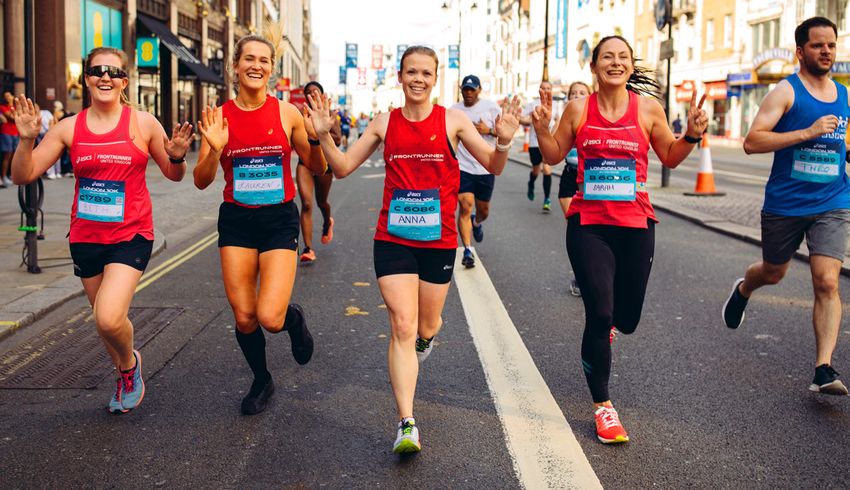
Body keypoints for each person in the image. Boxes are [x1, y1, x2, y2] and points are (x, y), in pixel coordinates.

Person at [306, 46, 521, 454]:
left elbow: (492, 165)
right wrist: (322, 136)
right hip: (393, 240)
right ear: (400, 76)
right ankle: (406, 422)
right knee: (402, 326)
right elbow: (343, 167)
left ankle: (427, 337)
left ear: (435, 78)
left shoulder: (453, 121)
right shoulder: (384, 123)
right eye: (411, 72)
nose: (418, 79)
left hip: (438, 241)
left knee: (426, 327)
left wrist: (505, 143)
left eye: (426, 73)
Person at [534, 35, 707, 444]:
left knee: (625, 319)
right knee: (599, 313)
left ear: (630, 65)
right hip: (589, 225)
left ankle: (611, 326)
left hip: (636, 225)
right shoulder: (579, 109)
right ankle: (603, 407)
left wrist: (691, 136)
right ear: (594, 66)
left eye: (623, 57)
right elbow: (554, 154)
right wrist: (541, 128)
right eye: (607, 57)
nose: (615, 62)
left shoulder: (648, 109)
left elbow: (669, 155)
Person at [10, 47, 193, 413]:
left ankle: (129, 366)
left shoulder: (143, 123)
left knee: (108, 317)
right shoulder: (68, 127)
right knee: (105, 321)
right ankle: (125, 370)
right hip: (85, 238)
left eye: (114, 71)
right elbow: (22, 175)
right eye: (97, 70)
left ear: (124, 81)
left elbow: (174, 175)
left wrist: (176, 155)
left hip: (131, 235)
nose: (105, 77)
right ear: (87, 79)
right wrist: (27, 139)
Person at [193, 32, 320, 416]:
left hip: (278, 219)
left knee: (270, 317)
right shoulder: (218, 117)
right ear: (235, 66)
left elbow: (317, 166)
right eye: (248, 58)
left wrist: (317, 138)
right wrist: (214, 149)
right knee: (245, 316)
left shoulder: (287, 113)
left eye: (264, 60)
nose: (256, 65)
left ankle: (293, 320)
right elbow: (201, 180)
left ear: (271, 69)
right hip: (237, 220)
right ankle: (262, 379)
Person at [722, 17, 850, 396]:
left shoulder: (844, 94)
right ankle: (744, 288)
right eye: (817, 45)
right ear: (800, 51)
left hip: (833, 200)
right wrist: (807, 132)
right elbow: (752, 141)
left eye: (831, 45)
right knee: (774, 272)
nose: (826, 51)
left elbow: (842, 144)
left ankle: (823, 368)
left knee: (827, 281)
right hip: (786, 203)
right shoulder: (785, 92)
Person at [451, 74, 502, 268]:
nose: (468, 93)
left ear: (479, 90)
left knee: (483, 211)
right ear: (461, 90)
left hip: (485, 167)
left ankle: (477, 222)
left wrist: (488, 131)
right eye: (465, 89)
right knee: (465, 206)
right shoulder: (454, 111)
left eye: (472, 89)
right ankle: (467, 250)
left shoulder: (491, 108)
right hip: (462, 167)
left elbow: (504, 133)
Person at [297, 81, 342, 263]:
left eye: (315, 91)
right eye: (308, 92)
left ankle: (327, 222)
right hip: (305, 163)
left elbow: (338, 139)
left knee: (321, 202)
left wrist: (320, 132)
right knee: (307, 204)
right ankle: (308, 249)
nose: (311, 94)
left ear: (321, 95)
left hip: (324, 164)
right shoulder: (300, 115)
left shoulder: (328, 115)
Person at [557, 81, 592, 296]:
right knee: (576, 228)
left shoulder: (596, 117)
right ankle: (581, 275)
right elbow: (552, 147)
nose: (577, 96)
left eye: (582, 93)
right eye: (573, 93)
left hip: (591, 178)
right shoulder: (566, 117)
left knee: (589, 231)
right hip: (570, 175)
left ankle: (592, 273)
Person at [520, 81, 554, 212]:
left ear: (551, 90)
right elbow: (521, 118)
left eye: (548, 88)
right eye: (543, 88)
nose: (546, 90)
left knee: (547, 169)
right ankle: (531, 183)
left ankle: (547, 199)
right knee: (536, 170)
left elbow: (561, 120)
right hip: (535, 143)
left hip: (549, 142)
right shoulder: (533, 104)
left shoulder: (556, 104)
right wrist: (531, 120)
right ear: (539, 89)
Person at [1, 91, 19, 187]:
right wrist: (15, 115)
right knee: (7, 155)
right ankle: (4, 176)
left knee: (13, 155)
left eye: (8, 95)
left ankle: (10, 175)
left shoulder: (15, 107)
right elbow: (13, 118)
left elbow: (17, 117)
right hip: (6, 133)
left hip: (15, 133)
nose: (7, 97)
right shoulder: (2, 107)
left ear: (12, 96)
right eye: (5, 96)